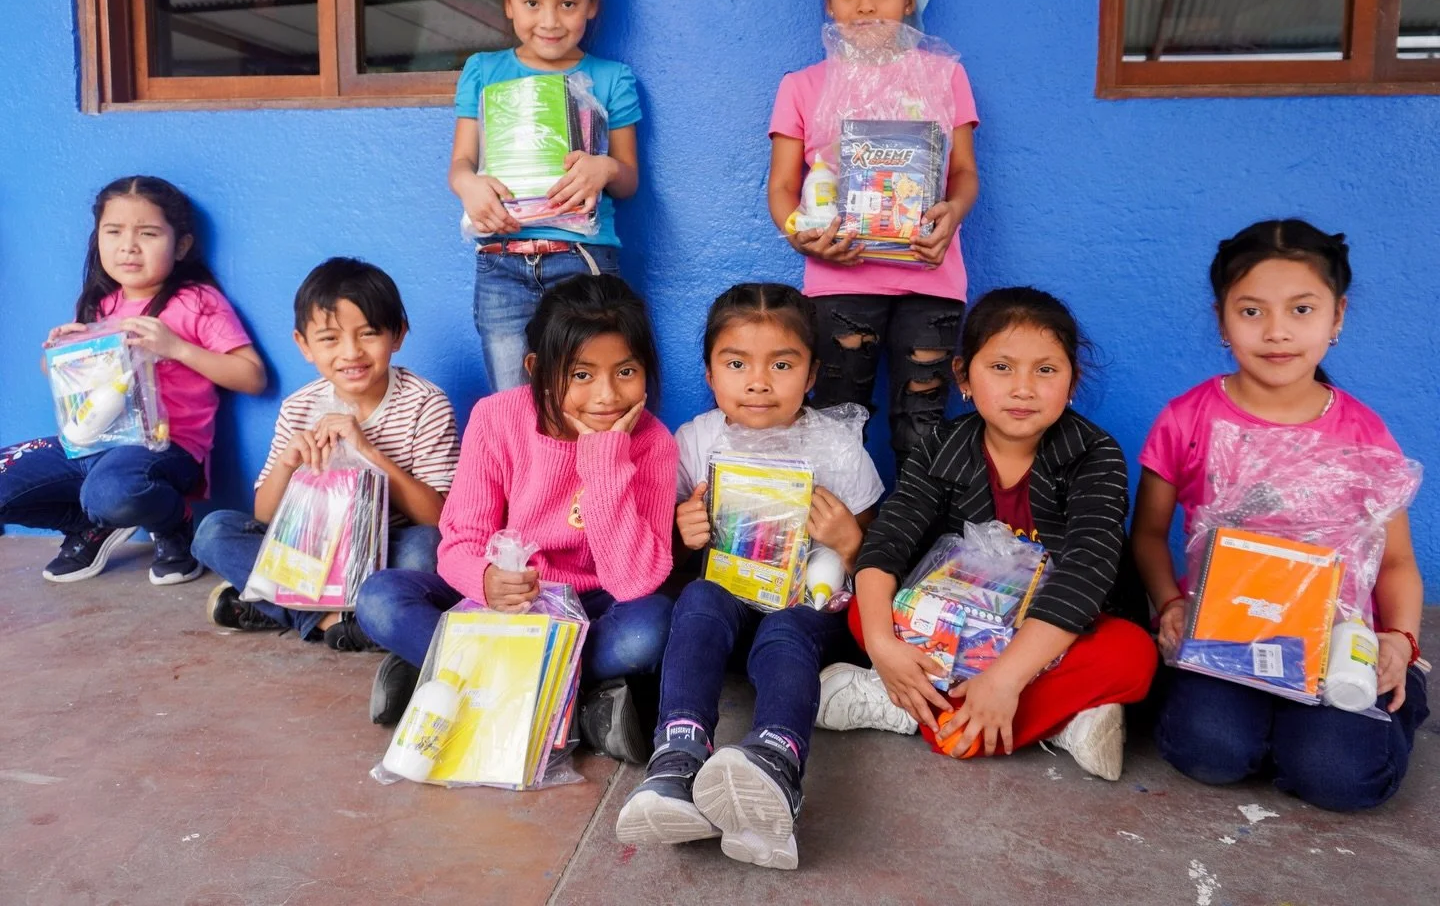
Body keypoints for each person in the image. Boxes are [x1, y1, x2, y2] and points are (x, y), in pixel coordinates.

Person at [1133, 219, 1429, 812]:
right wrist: (1171, 603)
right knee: (1207, 751)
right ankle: (1266, 724)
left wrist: (1399, 639)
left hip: (1336, 640)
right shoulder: (1187, 420)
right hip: (1223, 635)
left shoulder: (1363, 434)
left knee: (1342, 778)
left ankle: (1395, 697)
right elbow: (1147, 535)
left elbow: (1396, 560)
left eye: (1301, 310)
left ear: (1337, 316)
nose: (1276, 333)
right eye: (1251, 312)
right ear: (1221, 318)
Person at [821, 288, 1156, 781]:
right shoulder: (943, 444)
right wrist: (881, 644)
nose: (1023, 388)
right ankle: (1060, 720)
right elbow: (888, 542)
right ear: (963, 377)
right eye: (1001, 367)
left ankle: (901, 704)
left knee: (1133, 654)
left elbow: (1088, 570)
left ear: (1071, 382)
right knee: (863, 607)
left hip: (1052, 636)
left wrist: (1004, 677)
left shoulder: (1094, 454)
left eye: (1046, 370)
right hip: (955, 628)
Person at [616, 283, 882, 871]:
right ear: (710, 374)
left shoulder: (836, 447)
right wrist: (683, 533)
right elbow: (667, 558)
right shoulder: (698, 440)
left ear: (812, 374)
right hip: (730, 609)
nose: (758, 382)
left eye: (782, 365)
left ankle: (775, 760)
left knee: (789, 628)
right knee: (701, 596)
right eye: (736, 364)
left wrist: (849, 542)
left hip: (805, 611)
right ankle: (678, 755)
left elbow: (875, 558)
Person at [357, 274, 675, 762]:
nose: (607, 396)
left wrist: (605, 460)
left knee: (649, 627)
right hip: (500, 610)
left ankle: (450, 682)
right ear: (537, 369)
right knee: (379, 598)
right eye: (581, 374)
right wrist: (485, 580)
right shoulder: (496, 418)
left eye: (626, 372)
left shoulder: (653, 443)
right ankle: (577, 701)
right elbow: (459, 539)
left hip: (588, 610)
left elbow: (634, 581)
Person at [767, 0, 979, 466]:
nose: (865, 6)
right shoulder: (803, 86)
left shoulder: (944, 77)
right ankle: (845, 545)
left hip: (929, 273)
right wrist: (802, 238)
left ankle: (914, 548)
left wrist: (951, 215)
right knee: (838, 418)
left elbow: (965, 175)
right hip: (839, 276)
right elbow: (783, 188)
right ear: (828, 2)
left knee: (923, 425)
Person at [0, 176, 264, 584]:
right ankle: (91, 525)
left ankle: (173, 523)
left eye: (148, 233)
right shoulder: (102, 304)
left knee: (110, 491)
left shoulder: (196, 301)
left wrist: (177, 348)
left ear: (181, 246)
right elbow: (71, 386)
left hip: (165, 449)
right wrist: (59, 354)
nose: (128, 246)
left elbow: (252, 377)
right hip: (91, 445)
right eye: (114, 231)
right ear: (98, 239)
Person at [193, 258, 461, 650]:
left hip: (390, 547)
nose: (351, 352)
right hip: (313, 550)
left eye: (368, 334)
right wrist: (288, 462)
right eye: (330, 339)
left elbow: (439, 517)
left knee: (427, 551)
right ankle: (333, 623)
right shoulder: (300, 407)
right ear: (304, 345)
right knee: (214, 531)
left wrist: (367, 451)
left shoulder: (425, 403)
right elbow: (265, 517)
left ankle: (279, 606)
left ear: (398, 335)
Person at [449, 0, 641, 393]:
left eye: (568, 3)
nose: (550, 21)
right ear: (509, 3)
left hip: (582, 258)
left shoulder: (611, 77)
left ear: (592, 3)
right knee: (515, 404)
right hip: (501, 262)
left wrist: (604, 168)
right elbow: (460, 164)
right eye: (532, 3)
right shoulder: (483, 70)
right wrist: (468, 186)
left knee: (589, 397)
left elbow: (629, 178)